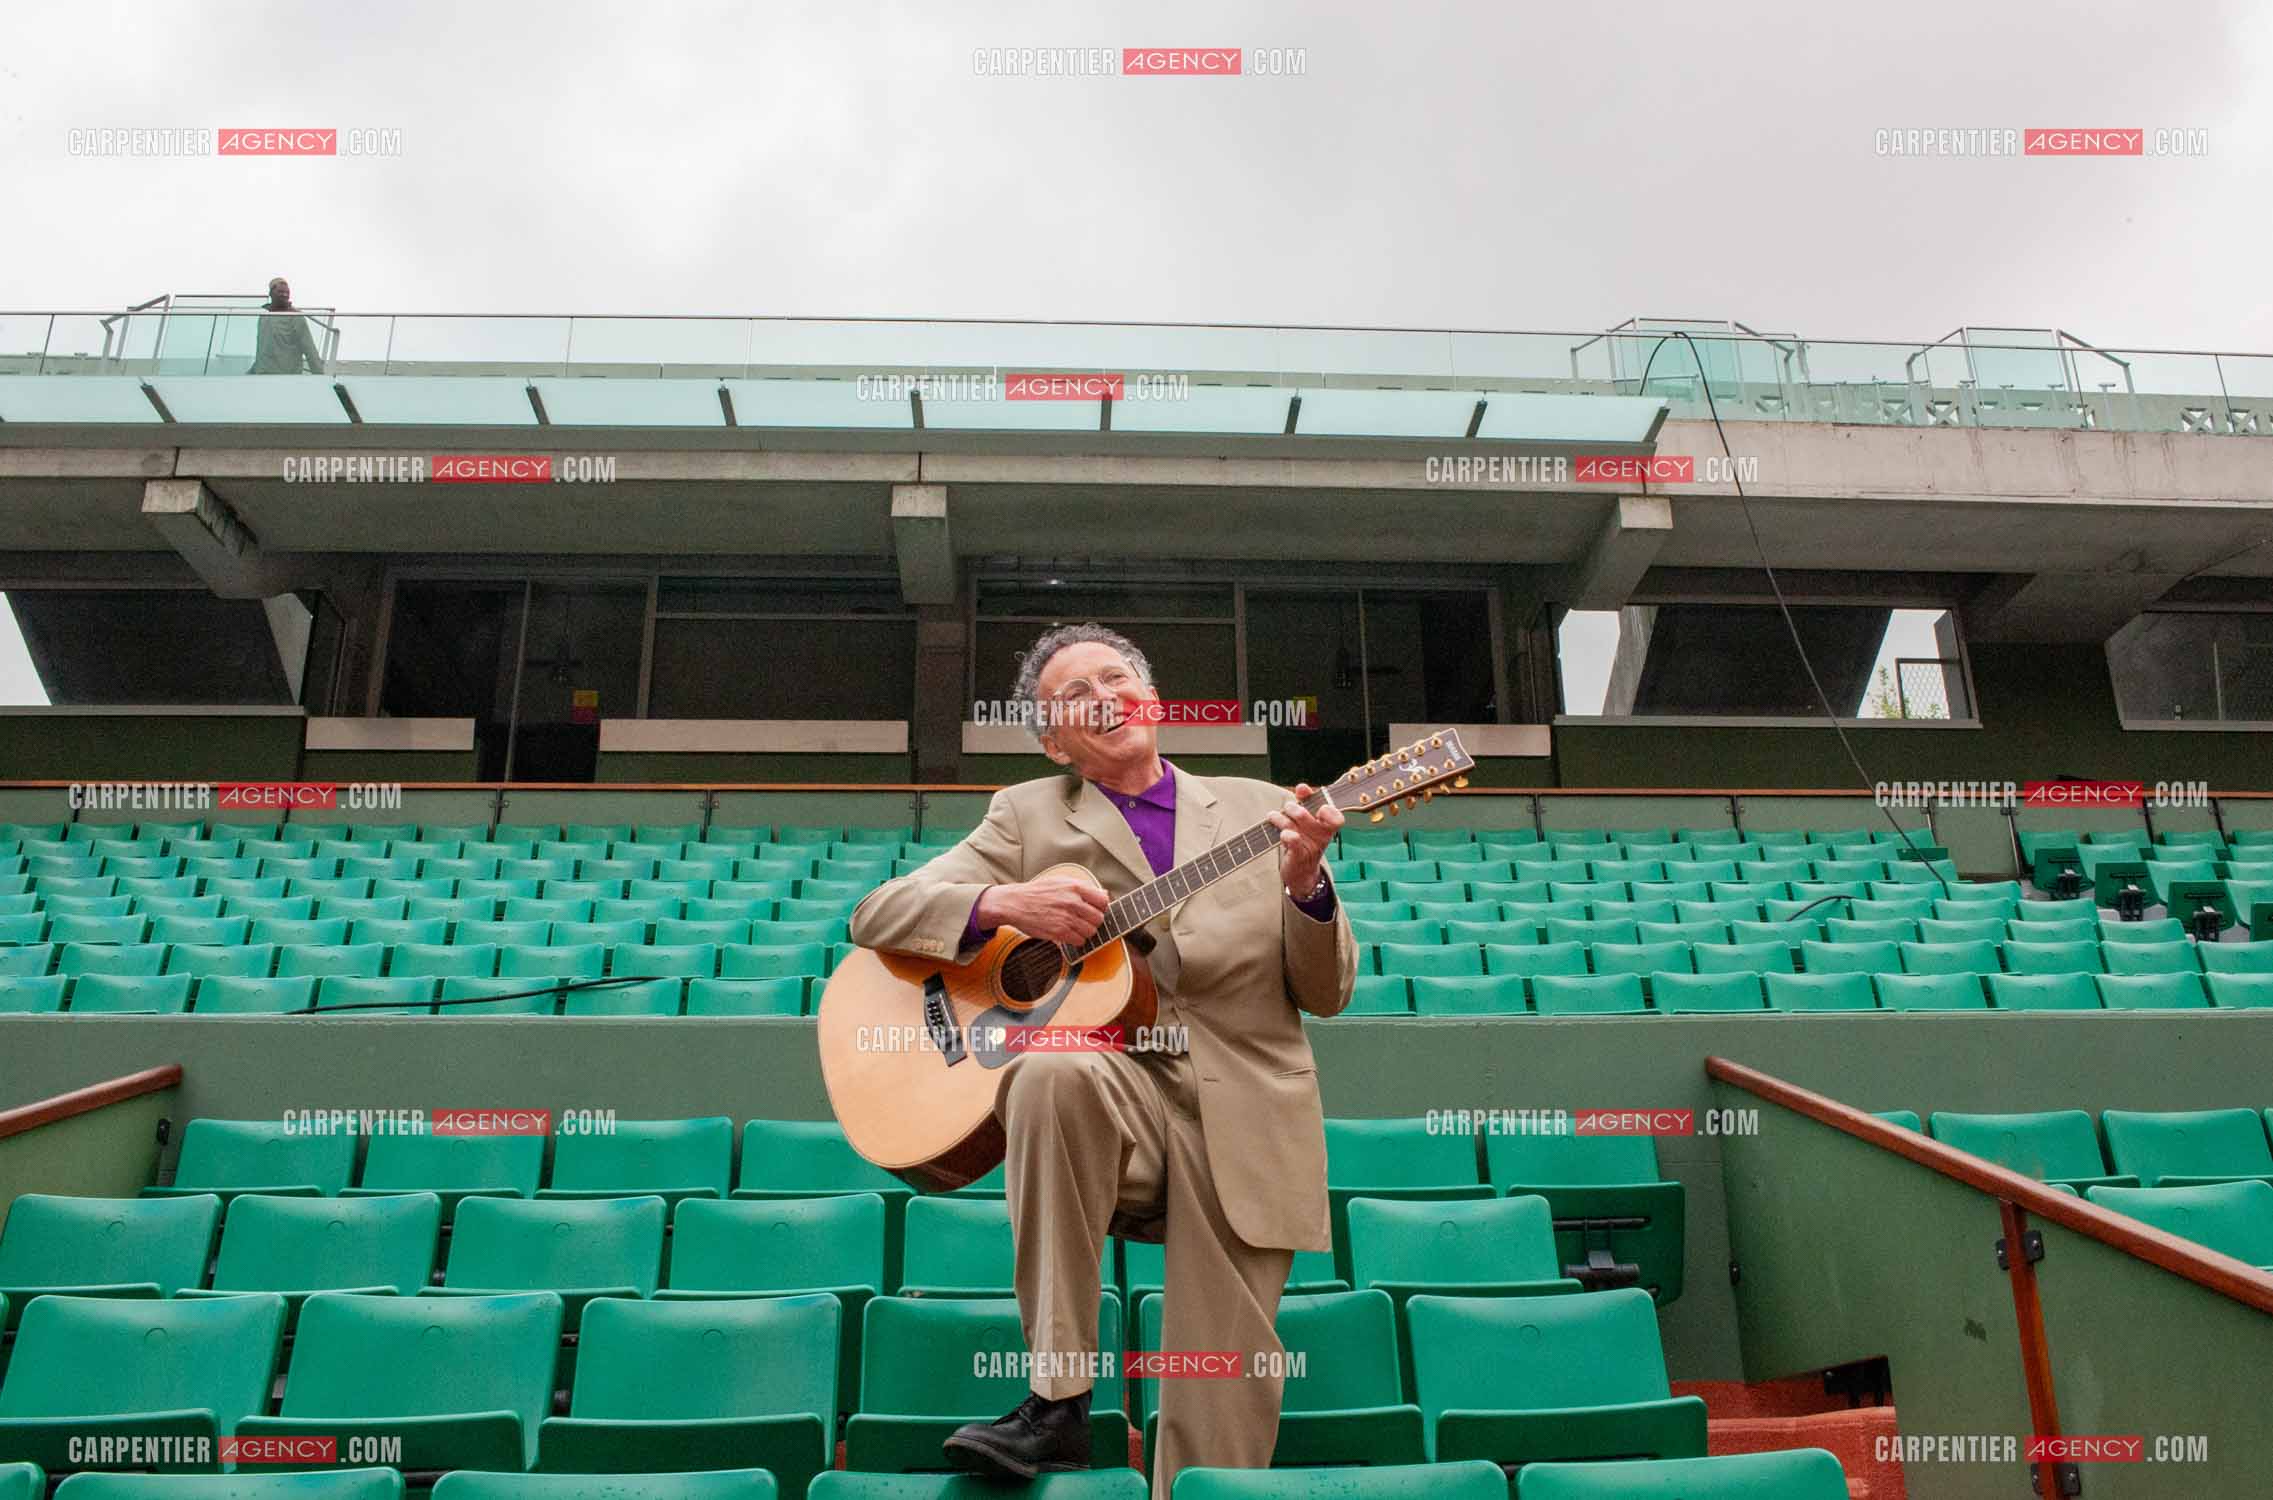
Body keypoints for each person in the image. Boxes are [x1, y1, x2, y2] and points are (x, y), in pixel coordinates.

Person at [846, 623, 1356, 1500]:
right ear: (1053, 741)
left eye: (1116, 678)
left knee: (1219, 1386)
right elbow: (876, 913)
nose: (1104, 697)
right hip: (1120, 1091)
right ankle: (1059, 1402)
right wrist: (1001, 901)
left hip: (1249, 1111)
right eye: (1074, 695)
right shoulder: (1025, 815)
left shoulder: (1259, 809)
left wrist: (1306, 882)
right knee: (1052, 1067)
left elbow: (1326, 992)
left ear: (1151, 701)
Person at [247, 276, 324, 374]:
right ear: (271, 293)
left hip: (286, 377)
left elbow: (309, 348)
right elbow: (262, 350)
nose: (284, 295)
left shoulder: (295, 317)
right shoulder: (264, 316)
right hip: (262, 374)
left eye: (287, 292)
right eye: (280, 292)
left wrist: (320, 377)